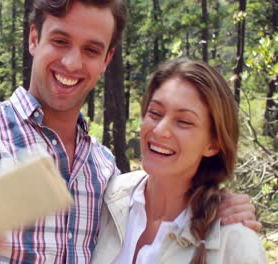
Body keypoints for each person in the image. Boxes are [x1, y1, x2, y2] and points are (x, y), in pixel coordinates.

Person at [0, 1, 260, 263]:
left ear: (107, 59)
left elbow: (175, 191)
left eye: (91, 50)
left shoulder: (105, 172)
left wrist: (216, 204)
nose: (72, 62)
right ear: (34, 38)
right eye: (59, 41)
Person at [91, 58, 267, 263]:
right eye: (155, 113)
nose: (159, 130)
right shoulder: (107, 198)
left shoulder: (235, 243)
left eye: (183, 122)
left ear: (213, 145)